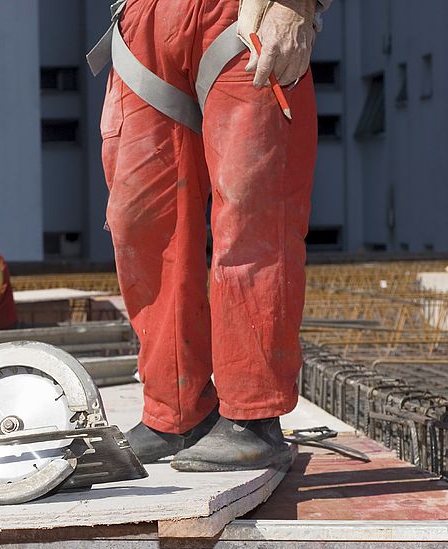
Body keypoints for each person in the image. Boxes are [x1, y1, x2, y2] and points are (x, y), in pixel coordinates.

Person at [93, 0, 328, 471]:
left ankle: (252, 419)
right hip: (144, 23)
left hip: (242, 13)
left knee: (251, 218)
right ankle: (175, 415)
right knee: (140, 222)